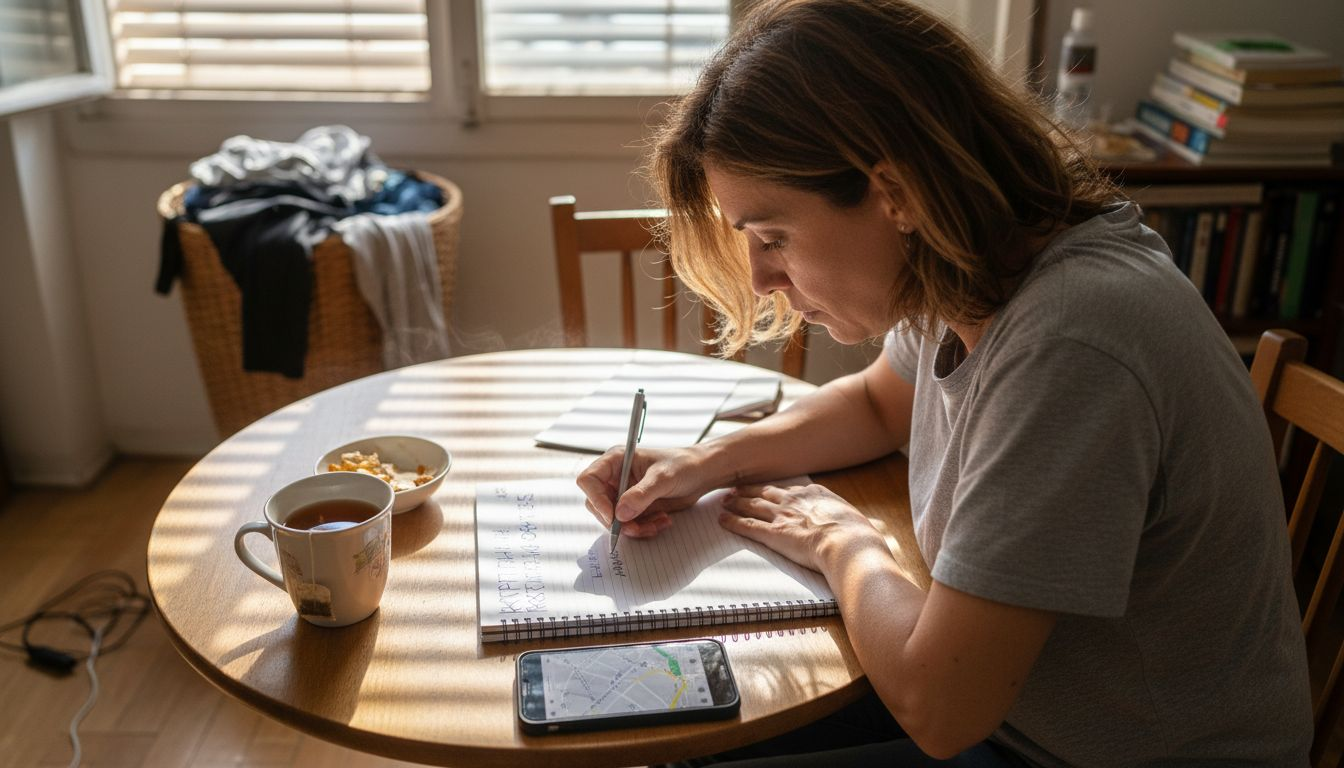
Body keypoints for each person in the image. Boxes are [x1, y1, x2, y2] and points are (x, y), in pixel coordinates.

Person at [576, 0, 1314, 766]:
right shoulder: (965, 269)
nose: (762, 278)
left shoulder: (1072, 341)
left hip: (1080, 750)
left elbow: (940, 707)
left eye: (774, 237)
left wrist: (842, 542)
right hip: (1027, 718)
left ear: (893, 192)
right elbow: (873, 404)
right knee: (687, 728)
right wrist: (701, 463)